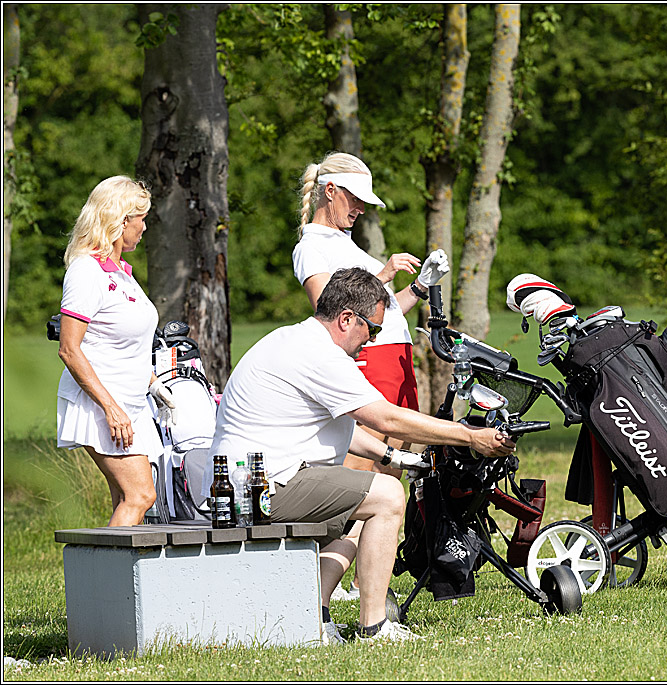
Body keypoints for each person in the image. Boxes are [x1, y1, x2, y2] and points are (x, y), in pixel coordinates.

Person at [209, 267, 515, 643]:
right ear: (346, 319)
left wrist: (396, 457)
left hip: (257, 482)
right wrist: (468, 436)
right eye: (371, 329)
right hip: (260, 490)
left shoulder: (295, 339)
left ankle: (316, 614)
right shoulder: (320, 355)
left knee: (363, 500)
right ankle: (376, 626)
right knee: (386, 496)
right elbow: (386, 416)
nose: (370, 340)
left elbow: (343, 430)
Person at [292, 151, 450, 600]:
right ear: (330, 191)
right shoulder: (313, 247)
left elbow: (380, 315)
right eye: (355, 198)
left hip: (395, 360)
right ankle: (324, 579)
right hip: (369, 364)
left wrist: (417, 289)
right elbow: (337, 312)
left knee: (389, 469)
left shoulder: (344, 242)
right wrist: (382, 274)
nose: (360, 208)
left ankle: (366, 578)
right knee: (362, 473)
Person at [56, 176, 177, 527]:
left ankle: (123, 581)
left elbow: (126, 342)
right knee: (141, 495)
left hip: (132, 401)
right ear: (121, 220)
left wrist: (155, 385)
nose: (144, 227)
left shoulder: (123, 272)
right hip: (102, 403)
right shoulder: (86, 271)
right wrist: (111, 408)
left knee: (126, 499)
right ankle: (108, 583)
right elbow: (69, 349)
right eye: (141, 219)